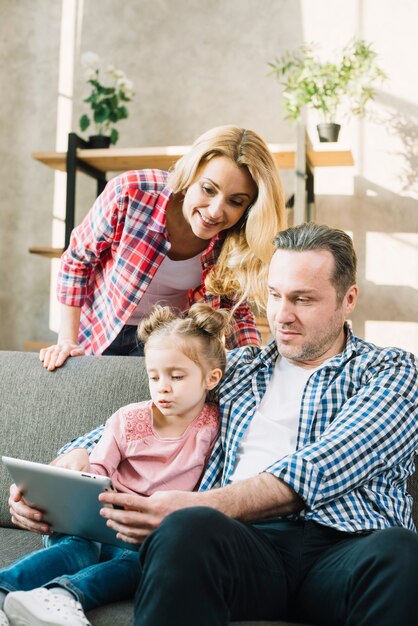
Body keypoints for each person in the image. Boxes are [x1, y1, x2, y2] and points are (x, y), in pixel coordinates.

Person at [11, 223, 418, 625]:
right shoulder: (239, 368)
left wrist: (201, 503)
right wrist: (63, 467)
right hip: (245, 544)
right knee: (187, 530)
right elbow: (148, 417)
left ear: (348, 299)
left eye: (303, 299)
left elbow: (330, 463)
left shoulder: (391, 371)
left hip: (348, 548)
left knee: (402, 553)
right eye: (275, 296)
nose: (282, 315)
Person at [2, 303, 228, 626]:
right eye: (154, 376)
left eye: (176, 376)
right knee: (80, 551)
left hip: (141, 539)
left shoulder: (213, 428)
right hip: (94, 525)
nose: (162, 386)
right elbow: (96, 474)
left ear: (211, 378)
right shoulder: (127, 420)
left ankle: (59, 597)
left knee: (141, 564)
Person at [39, 125, 286, 371]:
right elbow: (77, 261)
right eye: (208, 189)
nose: (214, 212)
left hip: (165, 340)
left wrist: (254, 365)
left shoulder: (235, 239)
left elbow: (235, 311)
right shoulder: (131, 192)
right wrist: (67, 341)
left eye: (235, 201)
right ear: (191, 174)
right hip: (100, 328)